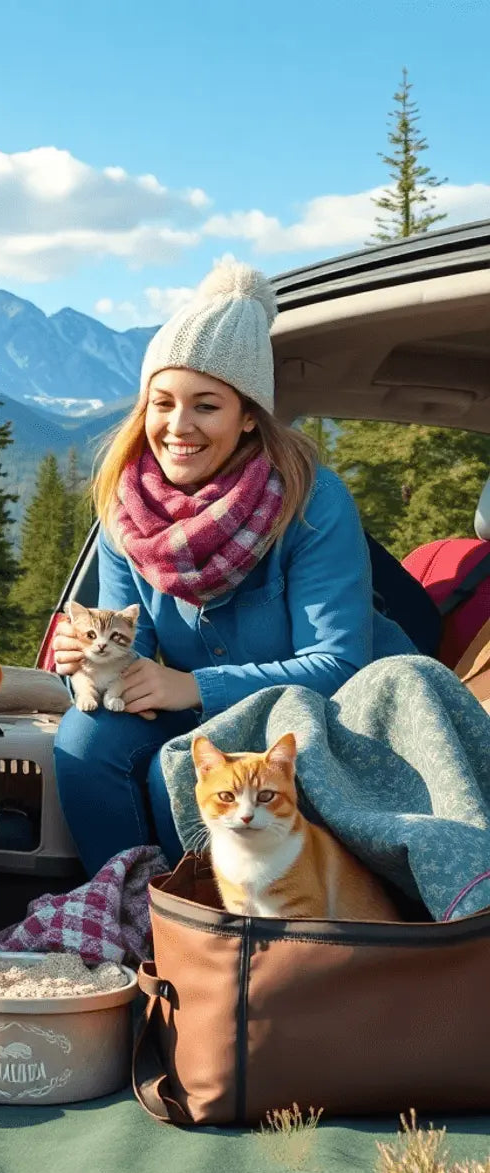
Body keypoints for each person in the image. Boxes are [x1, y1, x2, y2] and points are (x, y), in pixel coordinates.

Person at [49, 262, 417, 873]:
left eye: (207, 405)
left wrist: (194, 687)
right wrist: (85, 661)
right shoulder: (126, 508)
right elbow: (127, 643)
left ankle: (215, 943)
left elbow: (340, 663)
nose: (177, 427)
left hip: (317, 724)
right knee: (86, 742)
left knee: (186, 791)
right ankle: (121, 915)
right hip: (208, 718)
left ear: (249, 416)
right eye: (161, 404)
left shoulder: (311, 501)